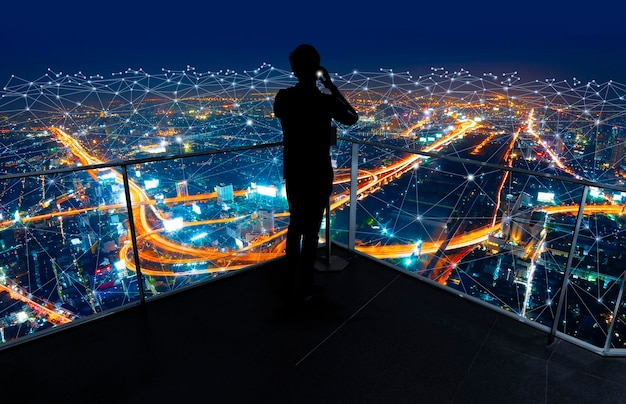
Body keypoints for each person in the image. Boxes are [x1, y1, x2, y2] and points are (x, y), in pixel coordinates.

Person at [273, 44, 358, 301]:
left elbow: (281, 116)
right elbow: (353, 117)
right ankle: (306, 284)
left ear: (293, 69)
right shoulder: (325, 102)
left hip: (295, 171)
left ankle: (288, 281)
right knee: (312, 231)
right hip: (319, 172)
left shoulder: (284, 98)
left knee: (295, 225)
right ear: (317, 69)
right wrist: (331, 86)